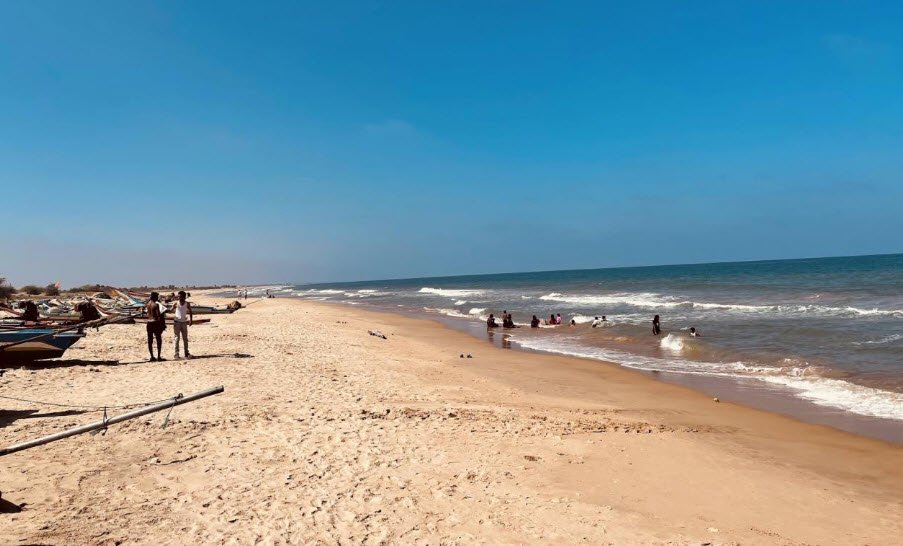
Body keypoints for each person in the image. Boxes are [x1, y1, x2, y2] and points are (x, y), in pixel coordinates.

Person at [172, 290, 194, 359]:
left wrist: (191, 320)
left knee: (185, 338)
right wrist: (173, 307)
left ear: (184, 297)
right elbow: (171, 310)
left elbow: (190, 311)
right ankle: (176, 354)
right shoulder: (176, 303)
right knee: (177, 338)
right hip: (177, 322)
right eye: (178, 296)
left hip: (184, 322)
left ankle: (186, 352)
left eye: (180, 296)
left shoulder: (187, 304)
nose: (178, 297)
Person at [146, 292, 166, 362]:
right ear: (155, 297)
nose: (157, 298)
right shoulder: (156, 305)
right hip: (155, 322)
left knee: (150, 340)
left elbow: (148, 313)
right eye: (157, 297)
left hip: (149, 323)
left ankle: (152, 356)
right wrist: (162, 325)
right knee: (158, 339)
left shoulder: (148, 304)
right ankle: (158, 356)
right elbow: (158, 315)